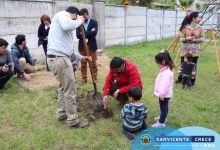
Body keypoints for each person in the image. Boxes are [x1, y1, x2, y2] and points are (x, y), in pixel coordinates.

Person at [47, 6, 91, 128]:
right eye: (76, 17)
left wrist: (82, 57)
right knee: (70, 89)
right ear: (74, 14)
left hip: (56, 58)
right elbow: (68, 25)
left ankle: (61, 114)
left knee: (63, 87)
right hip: (60, 59)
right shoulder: (63, 15)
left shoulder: (62, 29)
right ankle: (72, 120)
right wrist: (80, 20)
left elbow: (69, 50)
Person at [176, 11, 204, 86]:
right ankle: (180, 79)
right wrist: (187, 38)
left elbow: (203, 39)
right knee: (183, 65)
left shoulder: (200, 28)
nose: (200, 18)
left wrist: (196, 40)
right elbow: (181, 39)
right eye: (198, 17)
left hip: (195, 52)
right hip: (185, 51)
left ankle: (192, 81)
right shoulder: (184, 27)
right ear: (193, 18)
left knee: (193, 66)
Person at [76, 8, 98, 85]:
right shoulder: (78, 23)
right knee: (83, 64)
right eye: (83, 16)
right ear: (81, 16)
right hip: (82, 47)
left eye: (86, 15)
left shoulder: (94, 22)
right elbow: (78, 35)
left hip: (91, 46)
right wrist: (89, 32)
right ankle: (84, 79)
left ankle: (94, 79)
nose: (85, 17)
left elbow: (94, 33)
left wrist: (84, 33)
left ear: (88, 14)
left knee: (93, 63)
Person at [152, 50, 174, 127]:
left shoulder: (166, 73)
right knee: (165, 107)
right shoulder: (167, 69)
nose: (158, 65)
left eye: (158, 63)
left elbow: (165, 85)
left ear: (163, 62)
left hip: (164, 95)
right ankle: (163, 117)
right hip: (166, 94)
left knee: (163, 108)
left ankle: (161, 123)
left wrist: (161, 94)